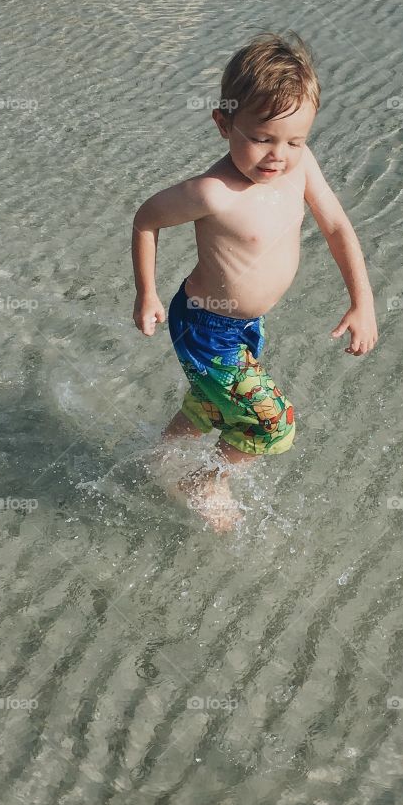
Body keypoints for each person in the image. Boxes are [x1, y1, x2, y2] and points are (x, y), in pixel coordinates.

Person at [131, 31, 378, 530]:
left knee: (213, 400)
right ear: (224, 123)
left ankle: (158, 457)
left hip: (245, 324)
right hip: (203, 326)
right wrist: (147, 293)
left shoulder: (300, 168)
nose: (277, 155)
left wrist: (362, 302)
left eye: (294, 140)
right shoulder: (214, 192)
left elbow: (336, 226)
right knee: (271, 422)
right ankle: (205, 480)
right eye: (262, 138)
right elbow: (146, 219)